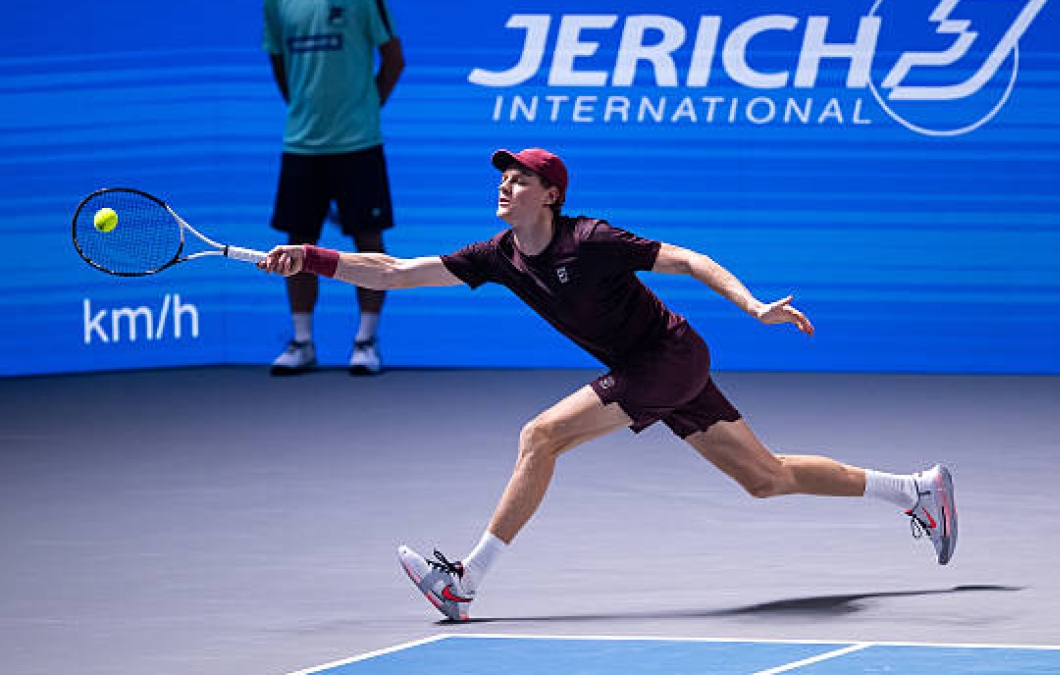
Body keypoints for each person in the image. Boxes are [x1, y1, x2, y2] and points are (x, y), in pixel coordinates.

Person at [257, 148, 959, 621]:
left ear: (551, 195)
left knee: (541, 435)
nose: (505, 185)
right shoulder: (497, 256)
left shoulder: (588, 239)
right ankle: (916, 489)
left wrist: (751, 304)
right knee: (766, 477)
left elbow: (685, 258)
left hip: (669, 354)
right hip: (663, 366)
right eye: (502, 177)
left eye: (520, 179)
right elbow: (394, 270)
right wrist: (313, 258)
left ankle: (464, 579)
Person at [261, 0, 406, 375]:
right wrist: (305, 112)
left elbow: (393, 60)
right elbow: (279, 62)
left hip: (359, 145)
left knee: (368, 241)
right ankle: (302, 342)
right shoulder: (276, 3)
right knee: (297, 243)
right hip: (302, 145)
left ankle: (366, 342)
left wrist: (365, 112)